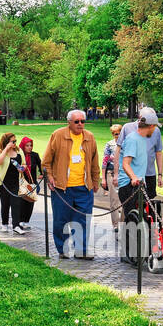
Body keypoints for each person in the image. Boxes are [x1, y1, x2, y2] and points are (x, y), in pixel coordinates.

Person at [41, 110, 100, 259]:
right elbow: (46, 161)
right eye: (77, 122)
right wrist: (50, 177)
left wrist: (95, 180)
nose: (80, 124)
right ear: (69, 122)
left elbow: (94, 162)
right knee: (61, 220)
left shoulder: (89, 137)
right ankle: (62, 249)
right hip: (62, 188)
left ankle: (81, 250)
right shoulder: (58, 135)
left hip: (84, 188)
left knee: (83, 220)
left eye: (82, 121)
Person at [117, 113, 159, 265]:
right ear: (151, 126)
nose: (155, 130)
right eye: (155, 127)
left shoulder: (141, 139)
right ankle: (129, 253)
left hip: (138, 183)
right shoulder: (133, 140)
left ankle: (138, 251)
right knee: (132, 221)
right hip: (128, 185)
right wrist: (134, 177)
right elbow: (126, 164)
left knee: (142, 218)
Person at [115, 108, 163, 200]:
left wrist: (160, 175)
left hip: (144, 178)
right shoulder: (131, 136)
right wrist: (131, 177)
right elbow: (125, 162)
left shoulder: (148, 135)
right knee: (132, 211)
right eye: (154, 127)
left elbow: (158, 152)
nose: (155, 129)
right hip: (129, 181)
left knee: (145, 209)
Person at [0, 132, 27, 235]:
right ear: (7, 141)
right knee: (5, 204)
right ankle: (4, 224)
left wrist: (22, 168)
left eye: (15, 141)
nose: (14, 143)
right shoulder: (0, 150)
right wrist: (6, 149)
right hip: (3, 182)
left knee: (16, 204)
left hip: (16, 182)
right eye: (12, 141)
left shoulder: (19, 150)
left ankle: (16, 226)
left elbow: (24, 164)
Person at [17, 136, 42, 229]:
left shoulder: (35, 155)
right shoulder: (19, 155)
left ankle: (26, 221)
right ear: (23, 146)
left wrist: (42, 173)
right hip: (22, 182)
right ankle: (20, 221)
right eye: (27, 145)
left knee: (30, 202)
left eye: (31, 145)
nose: (30, 147)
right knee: (21, 202)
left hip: (32, 183)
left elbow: (41, 165)